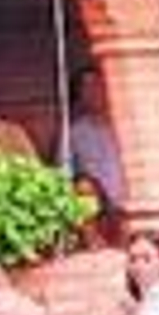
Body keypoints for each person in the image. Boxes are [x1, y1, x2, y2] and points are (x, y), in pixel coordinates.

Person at [67, 66, 125, 211]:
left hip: (131, 207)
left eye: (98, 85)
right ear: (79, 95)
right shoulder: (73, 134)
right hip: (98, 215)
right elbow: (63, 175)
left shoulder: (127, 126)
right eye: (86, 87)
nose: (93, 92)